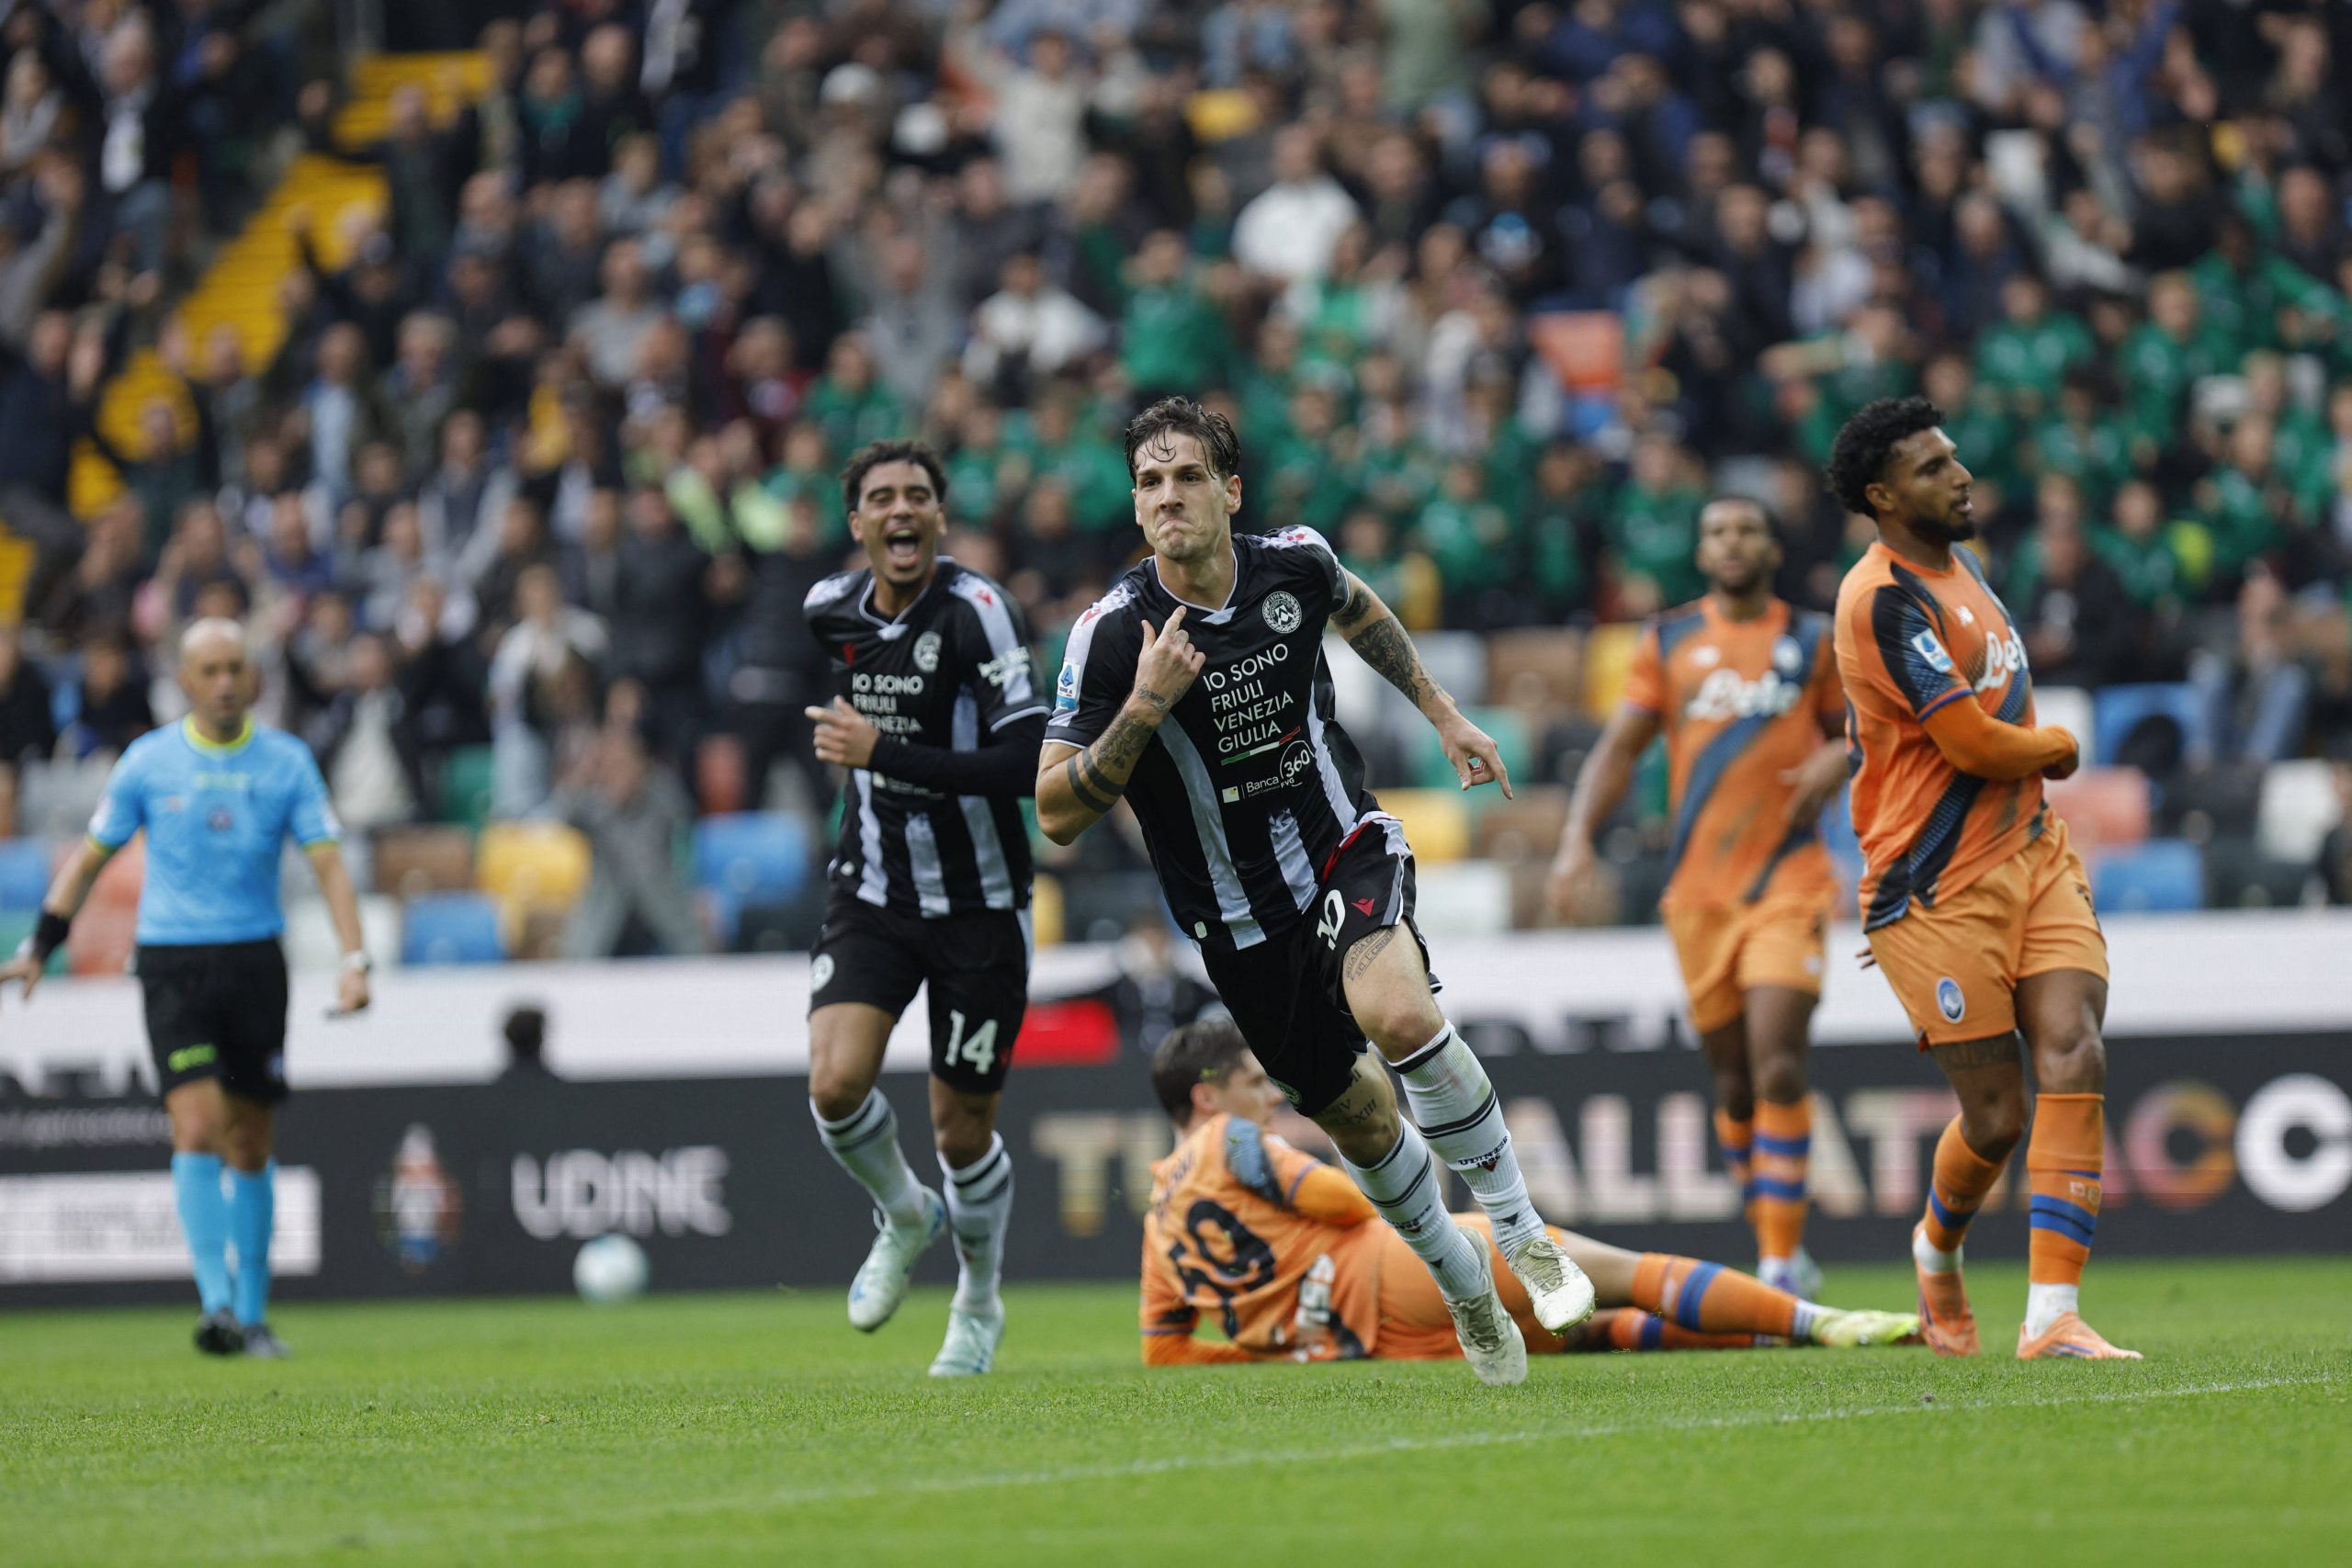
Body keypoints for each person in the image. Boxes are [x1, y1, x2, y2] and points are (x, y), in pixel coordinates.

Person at [1036, 397, 1591, 1386]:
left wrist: (1445, 715)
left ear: (1228, 490)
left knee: (1399, 1013)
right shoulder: (1112, 636)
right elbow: (1056, 810)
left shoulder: (1292, 560)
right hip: (1238, 923)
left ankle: (1521, 1233)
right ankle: (1463, 1285)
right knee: (1364, 1122)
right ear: (1134, 506)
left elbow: (1360, 610)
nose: (1168, 496)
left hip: (1344, 843)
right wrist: (1144, 708)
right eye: (1150, 483)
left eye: (1188, 477)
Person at [1825, 396, 2136, 1361]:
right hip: (1931, 889)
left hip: (2032, 857)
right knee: (1994, 1118)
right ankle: (1935, 1246)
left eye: (1954, 459)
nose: (1959, 476)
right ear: (1881, 496)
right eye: (1930, 468)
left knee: (2075, 1051)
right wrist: (2056, 746)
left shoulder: (1962, 574)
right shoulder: (1880, 598)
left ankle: (2051, 1317)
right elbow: (1965, 740)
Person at [0, 618, 371, 1359]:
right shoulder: (147, 763)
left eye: (237, 666)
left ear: (254, 677)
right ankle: (218, 1306)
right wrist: (42, 942)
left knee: (250, 1139)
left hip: (254, 962)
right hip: (173, 963)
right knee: (196, 1123)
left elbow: (330, 865)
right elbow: (89, 859)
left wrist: (355, 958)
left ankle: (257, 1313)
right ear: (186, 679)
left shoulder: (287, 763)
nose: (226, 681)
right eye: (211, 669)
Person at [1138, 1021, 1917, 1364]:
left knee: (1593, 1333)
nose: (1270, 1098)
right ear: (1206, 1098)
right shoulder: (1229, 1140)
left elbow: (1165, 1350)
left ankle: (1762, 1337)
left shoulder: (1156, 1216)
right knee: (1611, 1272)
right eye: (1251, 1084)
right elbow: (1347, 1204)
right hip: (1400, 1272)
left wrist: (1281, 1347)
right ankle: (1818, 1321)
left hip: (1360, 1342)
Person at [1547, 498, 1848, 1297]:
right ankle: (1775, 1236)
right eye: (1716, 531)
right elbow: (1620, 747)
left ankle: (1781, 1259)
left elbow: (1868, 728)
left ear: (1772, 547)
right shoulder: (1670, 640)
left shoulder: (1814, 639)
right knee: (1736, 1084)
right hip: (1700, 895)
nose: (1731, 542)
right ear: (1702, 547)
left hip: (1789, 880)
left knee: (1778, 1059)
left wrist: (1839, 757)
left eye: (1747, 529)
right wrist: (1577, 841)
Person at [800, 439, 1047, 1377]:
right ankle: (905, 1212)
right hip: (870, 889)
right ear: (857, 522)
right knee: (833, 1085)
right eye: (880, 499)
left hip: (981, 906)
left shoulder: (980, 613)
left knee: (961, 1130)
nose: (900, 511)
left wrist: (883, 755)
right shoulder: (828, 612)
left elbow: (1027, 764)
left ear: (939, 518)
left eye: (917, 496)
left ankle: (977, 1304)